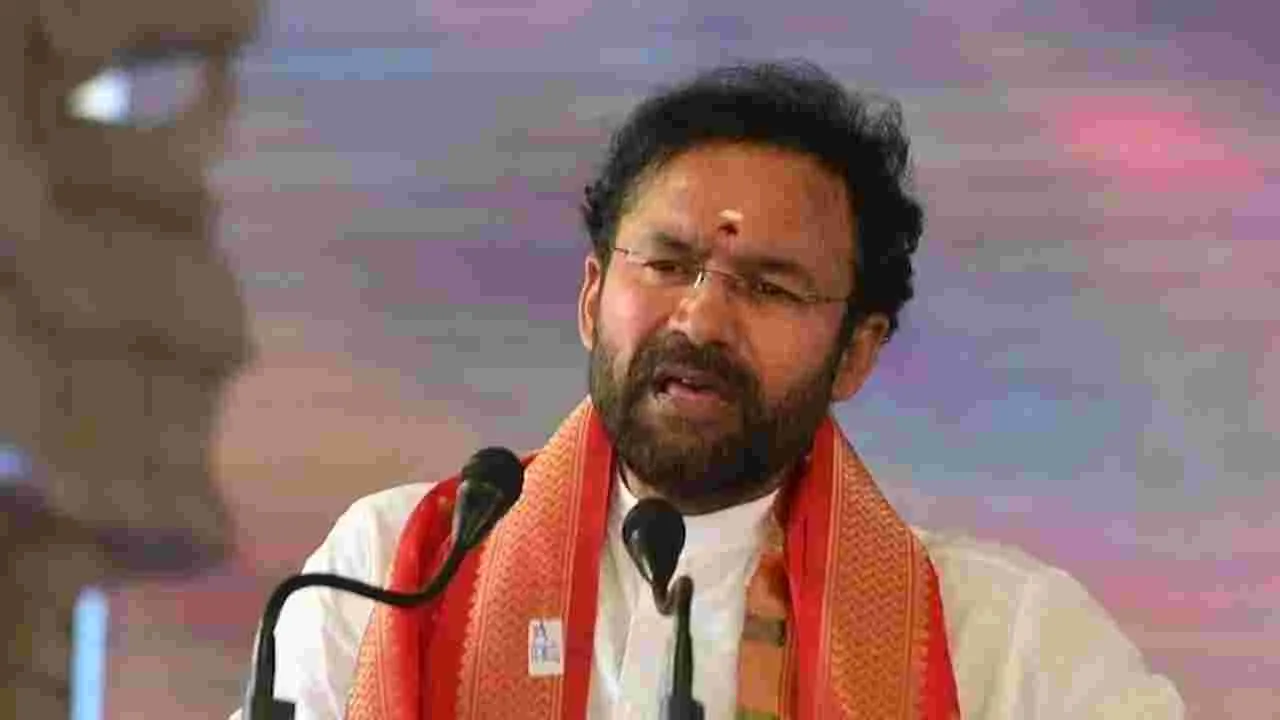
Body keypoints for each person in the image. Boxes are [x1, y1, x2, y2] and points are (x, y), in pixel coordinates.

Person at [235, 61, 1185, 719]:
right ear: (593, 296)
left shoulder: (1009, 648)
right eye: (666, 264)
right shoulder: (393, 576)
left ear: (857, 353)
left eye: (769, 287)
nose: (700, 318)